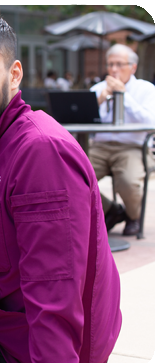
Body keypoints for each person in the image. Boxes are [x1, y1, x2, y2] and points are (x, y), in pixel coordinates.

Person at [0, 8, 121, 363]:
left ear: (14, 75)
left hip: (39, 344)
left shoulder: (39, 153)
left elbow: (54, 298)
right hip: (7, 300)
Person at [89, 43, 155, 235]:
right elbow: (83, 120)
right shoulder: (99, 88)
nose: (114, 70)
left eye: (119, 64)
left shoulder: (146, 90)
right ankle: (112, 210)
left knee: (127, 181)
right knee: (72, 176)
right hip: (99, 147)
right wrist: (99, 100)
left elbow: (151, 121)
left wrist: (123, 96)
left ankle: (134, 216)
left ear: (133, 67)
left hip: (132, 147)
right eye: (110, 65)